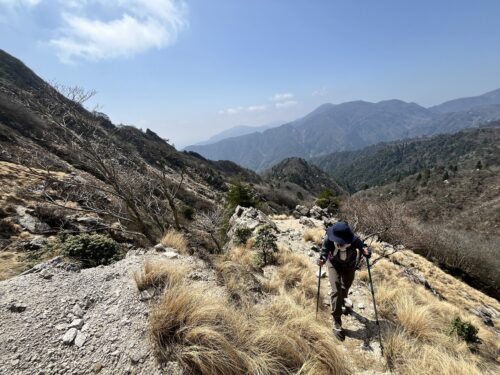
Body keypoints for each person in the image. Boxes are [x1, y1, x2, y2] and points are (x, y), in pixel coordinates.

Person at [316, 221, 371, 341]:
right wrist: (322, 259)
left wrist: (366, 251)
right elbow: (324, 252)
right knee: (336, 290)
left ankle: (341, 302)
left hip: (349, 266)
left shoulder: (354, 239)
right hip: (333, 265)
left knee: (345, 287)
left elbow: (363, 247)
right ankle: (337, 320)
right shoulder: (329, 238)